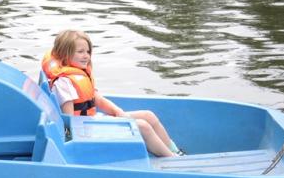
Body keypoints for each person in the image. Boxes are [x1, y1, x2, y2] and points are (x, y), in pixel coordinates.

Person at [42, 30, 183, 158]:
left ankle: (175, 151)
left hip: (90, 121)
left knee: (148, 116)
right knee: (142, 126)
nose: (86, 56)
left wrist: (118, 112)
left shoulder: (80, 73)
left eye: (88, 51)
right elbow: (68, 120)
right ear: (65, 54)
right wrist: (72, 143)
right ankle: (171, 158)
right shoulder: (64, 82)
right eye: (80, 52)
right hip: (82, 131)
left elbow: (97, 99)